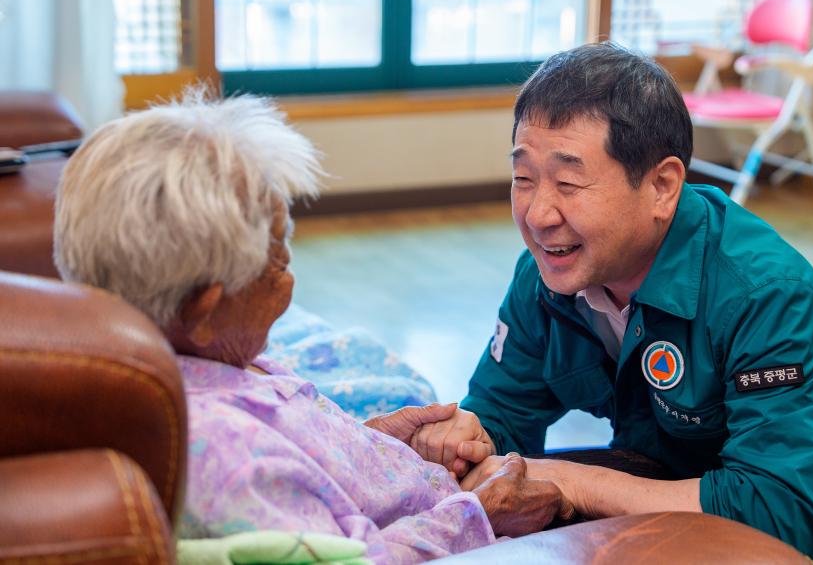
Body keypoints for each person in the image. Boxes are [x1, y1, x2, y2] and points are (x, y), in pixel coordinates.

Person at [409, 43, 813, 563]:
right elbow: (501, 411)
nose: (539, 214)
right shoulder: (549, 276)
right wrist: (468, 436)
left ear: (662, 185)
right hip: (688, 500)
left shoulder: (764, 294)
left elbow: (773, 520)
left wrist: (571, 483)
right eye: (523, 179)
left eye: (568, 182)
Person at [52, 92, 572, 564]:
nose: (290, 278)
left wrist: (366, 443)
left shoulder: (184, 361)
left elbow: (303, 471)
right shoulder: (235, 465)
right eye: (277, 261)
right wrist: (481, 514)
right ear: (203, 311)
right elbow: (353, 560)